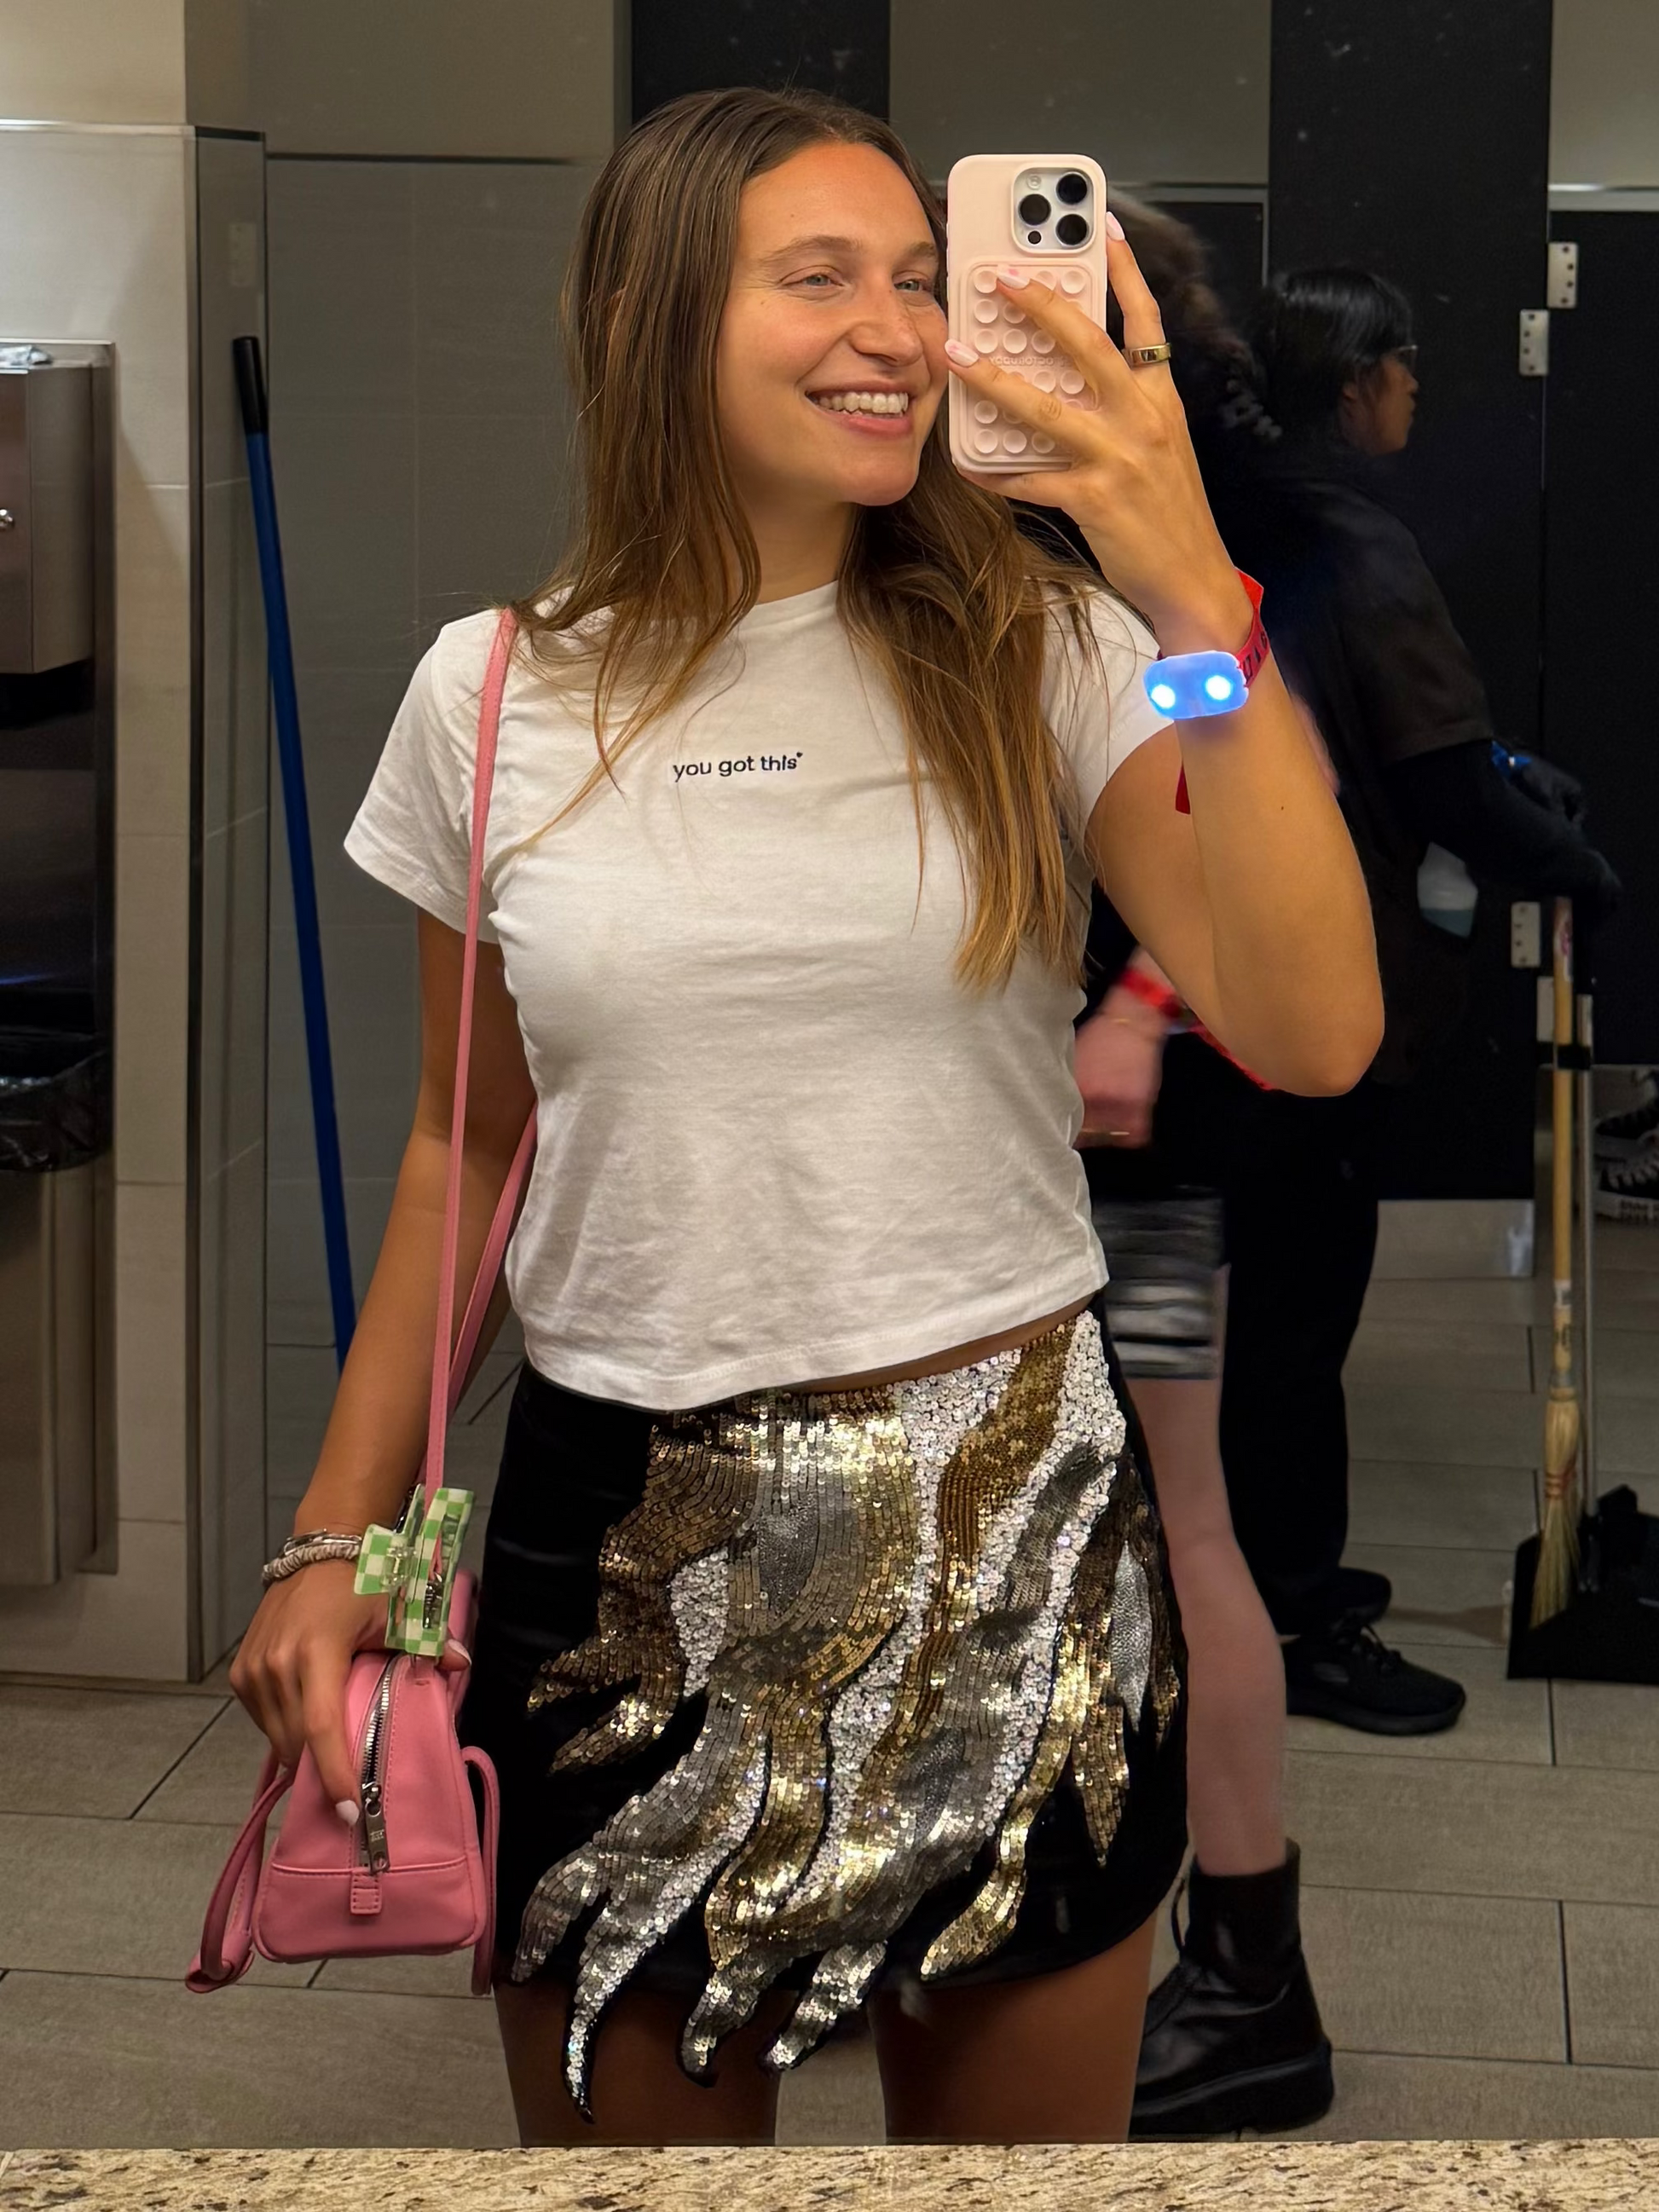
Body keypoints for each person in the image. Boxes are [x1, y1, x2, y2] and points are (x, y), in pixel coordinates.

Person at [228, 90, 1380, 2148]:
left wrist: (1194, 594)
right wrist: (338, 1532)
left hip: (1014, 1534)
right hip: (624, 1560)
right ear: (651, 319)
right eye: (821, 276)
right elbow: (464, 1146)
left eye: (922, 279)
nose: (900, 328)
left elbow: (1308, 1025)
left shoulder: (1044, 650)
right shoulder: (490, 693)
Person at [1049, 201, 1334, 2140]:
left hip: (1145, 1125)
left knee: (1173, 1507)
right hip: (1062, 1109)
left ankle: (1250, 1968)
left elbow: (1235, 773)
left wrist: (1141, 993)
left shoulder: (1194, 520)